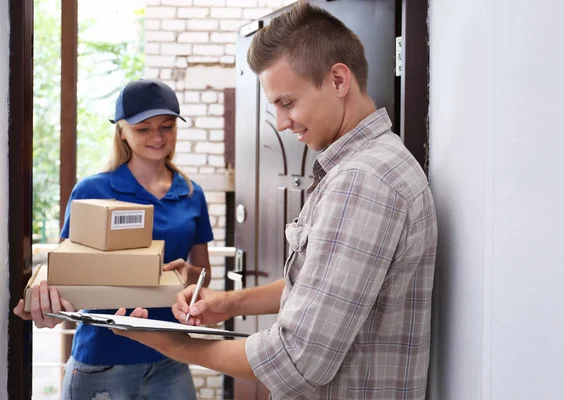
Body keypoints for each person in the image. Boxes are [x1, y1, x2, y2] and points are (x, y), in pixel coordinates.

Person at [115, 2, 438, 399]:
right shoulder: (365, 166)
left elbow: (297, 361)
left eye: (287, 102)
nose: (282, 123)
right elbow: (320, 285)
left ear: (338, 79)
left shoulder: (362, 181)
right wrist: (231, 303)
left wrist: (173, 343)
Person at [13, 79, 214, 399]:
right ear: (121, 131)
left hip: (171, 357)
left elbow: (202, 271)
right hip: (102, 361)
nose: (158, 136)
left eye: (167, 126)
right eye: (144, 128)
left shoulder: (191, 193)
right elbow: (66, 272)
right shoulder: (92, 191)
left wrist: (186, 277)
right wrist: (46, 305)